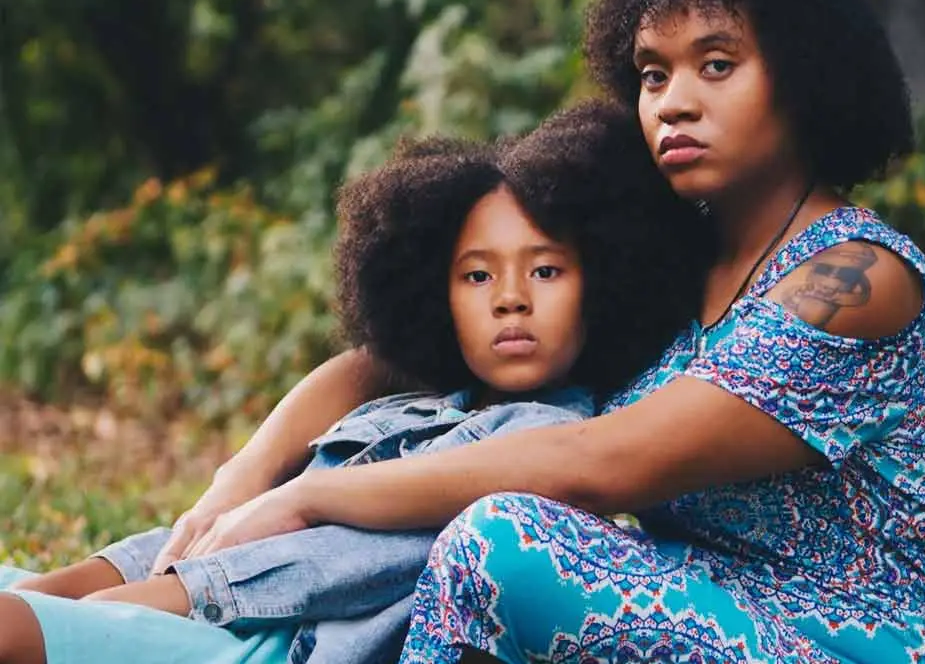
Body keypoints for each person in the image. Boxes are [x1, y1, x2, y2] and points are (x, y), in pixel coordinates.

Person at [66, 0, 925, 664]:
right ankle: (100, 614)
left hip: (867, 643)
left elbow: (606, 464)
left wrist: (314, 500)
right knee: (446, 520)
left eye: (717, 64)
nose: (672, 102)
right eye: (653, 74)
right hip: (706, 608)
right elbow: (386, 363)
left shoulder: (854, 277)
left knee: (501, 539)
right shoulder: (671, 261)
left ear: (809, 78)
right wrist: (247, 477)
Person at [0, 100, 706, 664]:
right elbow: (217, 537)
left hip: (269, 642)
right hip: (192, 602)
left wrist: (105, 607)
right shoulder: (406, 408)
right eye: (477, 274)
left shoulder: (542, 447)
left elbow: (329, 566)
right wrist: (64, 587)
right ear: (436, 295)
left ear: (602, 287)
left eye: (546, 270)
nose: (510, 298)